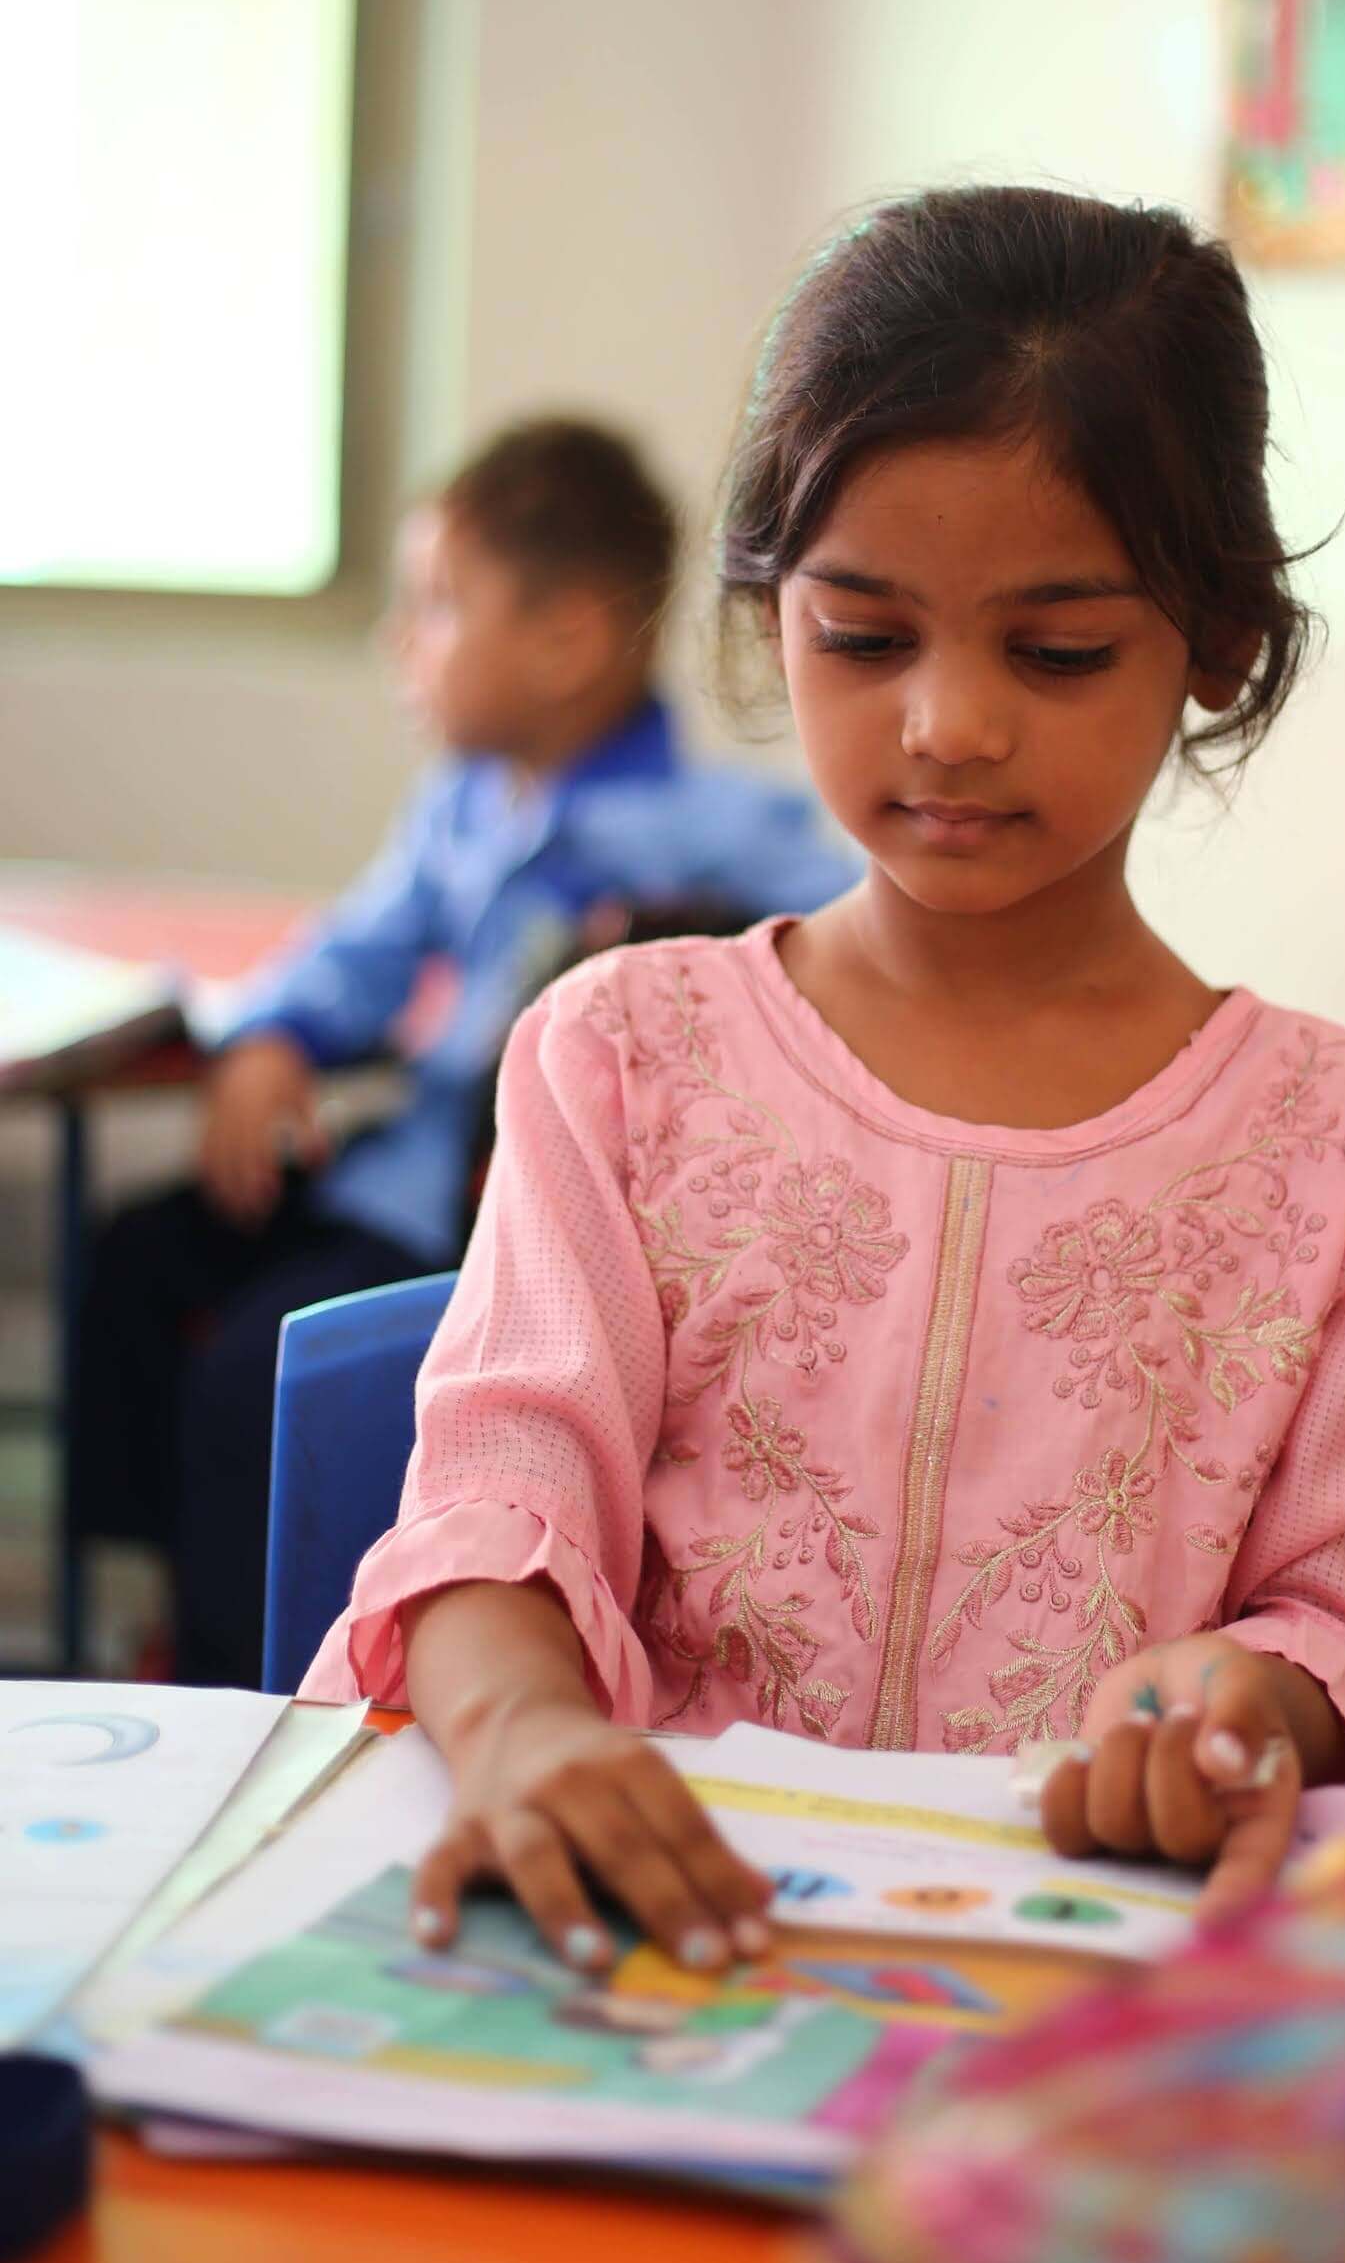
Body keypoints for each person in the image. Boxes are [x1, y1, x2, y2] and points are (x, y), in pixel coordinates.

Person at [303, 191, 1345, 1979]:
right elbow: (499, 1509)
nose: (948, 723)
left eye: (1057, 650)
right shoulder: (627, 1058)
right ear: (771, 613)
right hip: (635, 1960)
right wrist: (533, 1733)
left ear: (1221, 642)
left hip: (1070, 2019)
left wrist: (1247, 1705)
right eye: (866, 638)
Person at [69, 417, 855, 1686]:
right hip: (392, 1173)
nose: (401, 647)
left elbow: (847, 929)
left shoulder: (709, 832)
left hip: (496, 1217)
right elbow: (359, 951)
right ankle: (149, 1607)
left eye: (436, 608)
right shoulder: (464, 808)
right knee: (135, 1259)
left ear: (565, 638)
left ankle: (243, 1679)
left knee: (251, 1371)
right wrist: (273, 1035)